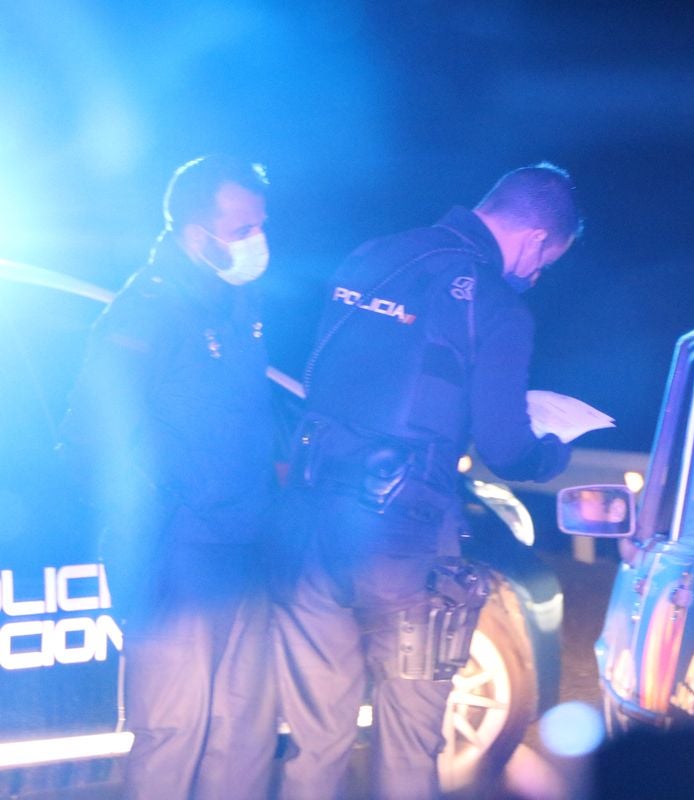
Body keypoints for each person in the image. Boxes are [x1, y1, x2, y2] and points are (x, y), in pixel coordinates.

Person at [274, 162, 581, 799]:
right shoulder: (494, 305)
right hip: (404, 539)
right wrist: (550, 455)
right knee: (409, 739)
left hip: (310, 521)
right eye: (547, 261)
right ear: (536, 240)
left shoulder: (373, 256)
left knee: (315, 737)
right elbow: (505, 445)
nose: (537, 275)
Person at [58, 155, 279, 800]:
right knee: (173, 735)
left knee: (243, 733)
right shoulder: (144, 311)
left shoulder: (238, 302)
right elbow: (89, 437)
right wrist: (165, 509)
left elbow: (246, 415)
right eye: (243, 228)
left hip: (245, 548)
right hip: (177, 556)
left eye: (260, 226)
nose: (257, 241)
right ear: (194, 233)